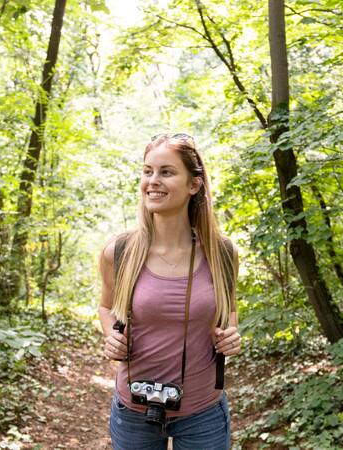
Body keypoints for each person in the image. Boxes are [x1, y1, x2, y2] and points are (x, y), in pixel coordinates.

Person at [98, 133, 241, 450]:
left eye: (166, 172)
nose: (152, 181)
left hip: (203, 410)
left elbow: (228, 311)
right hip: (134, 409)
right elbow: (106, 307)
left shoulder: (222, 253)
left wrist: (230, 332)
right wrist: (111, 336)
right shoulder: (119, 251)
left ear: (194, 184)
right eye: (148, 171)